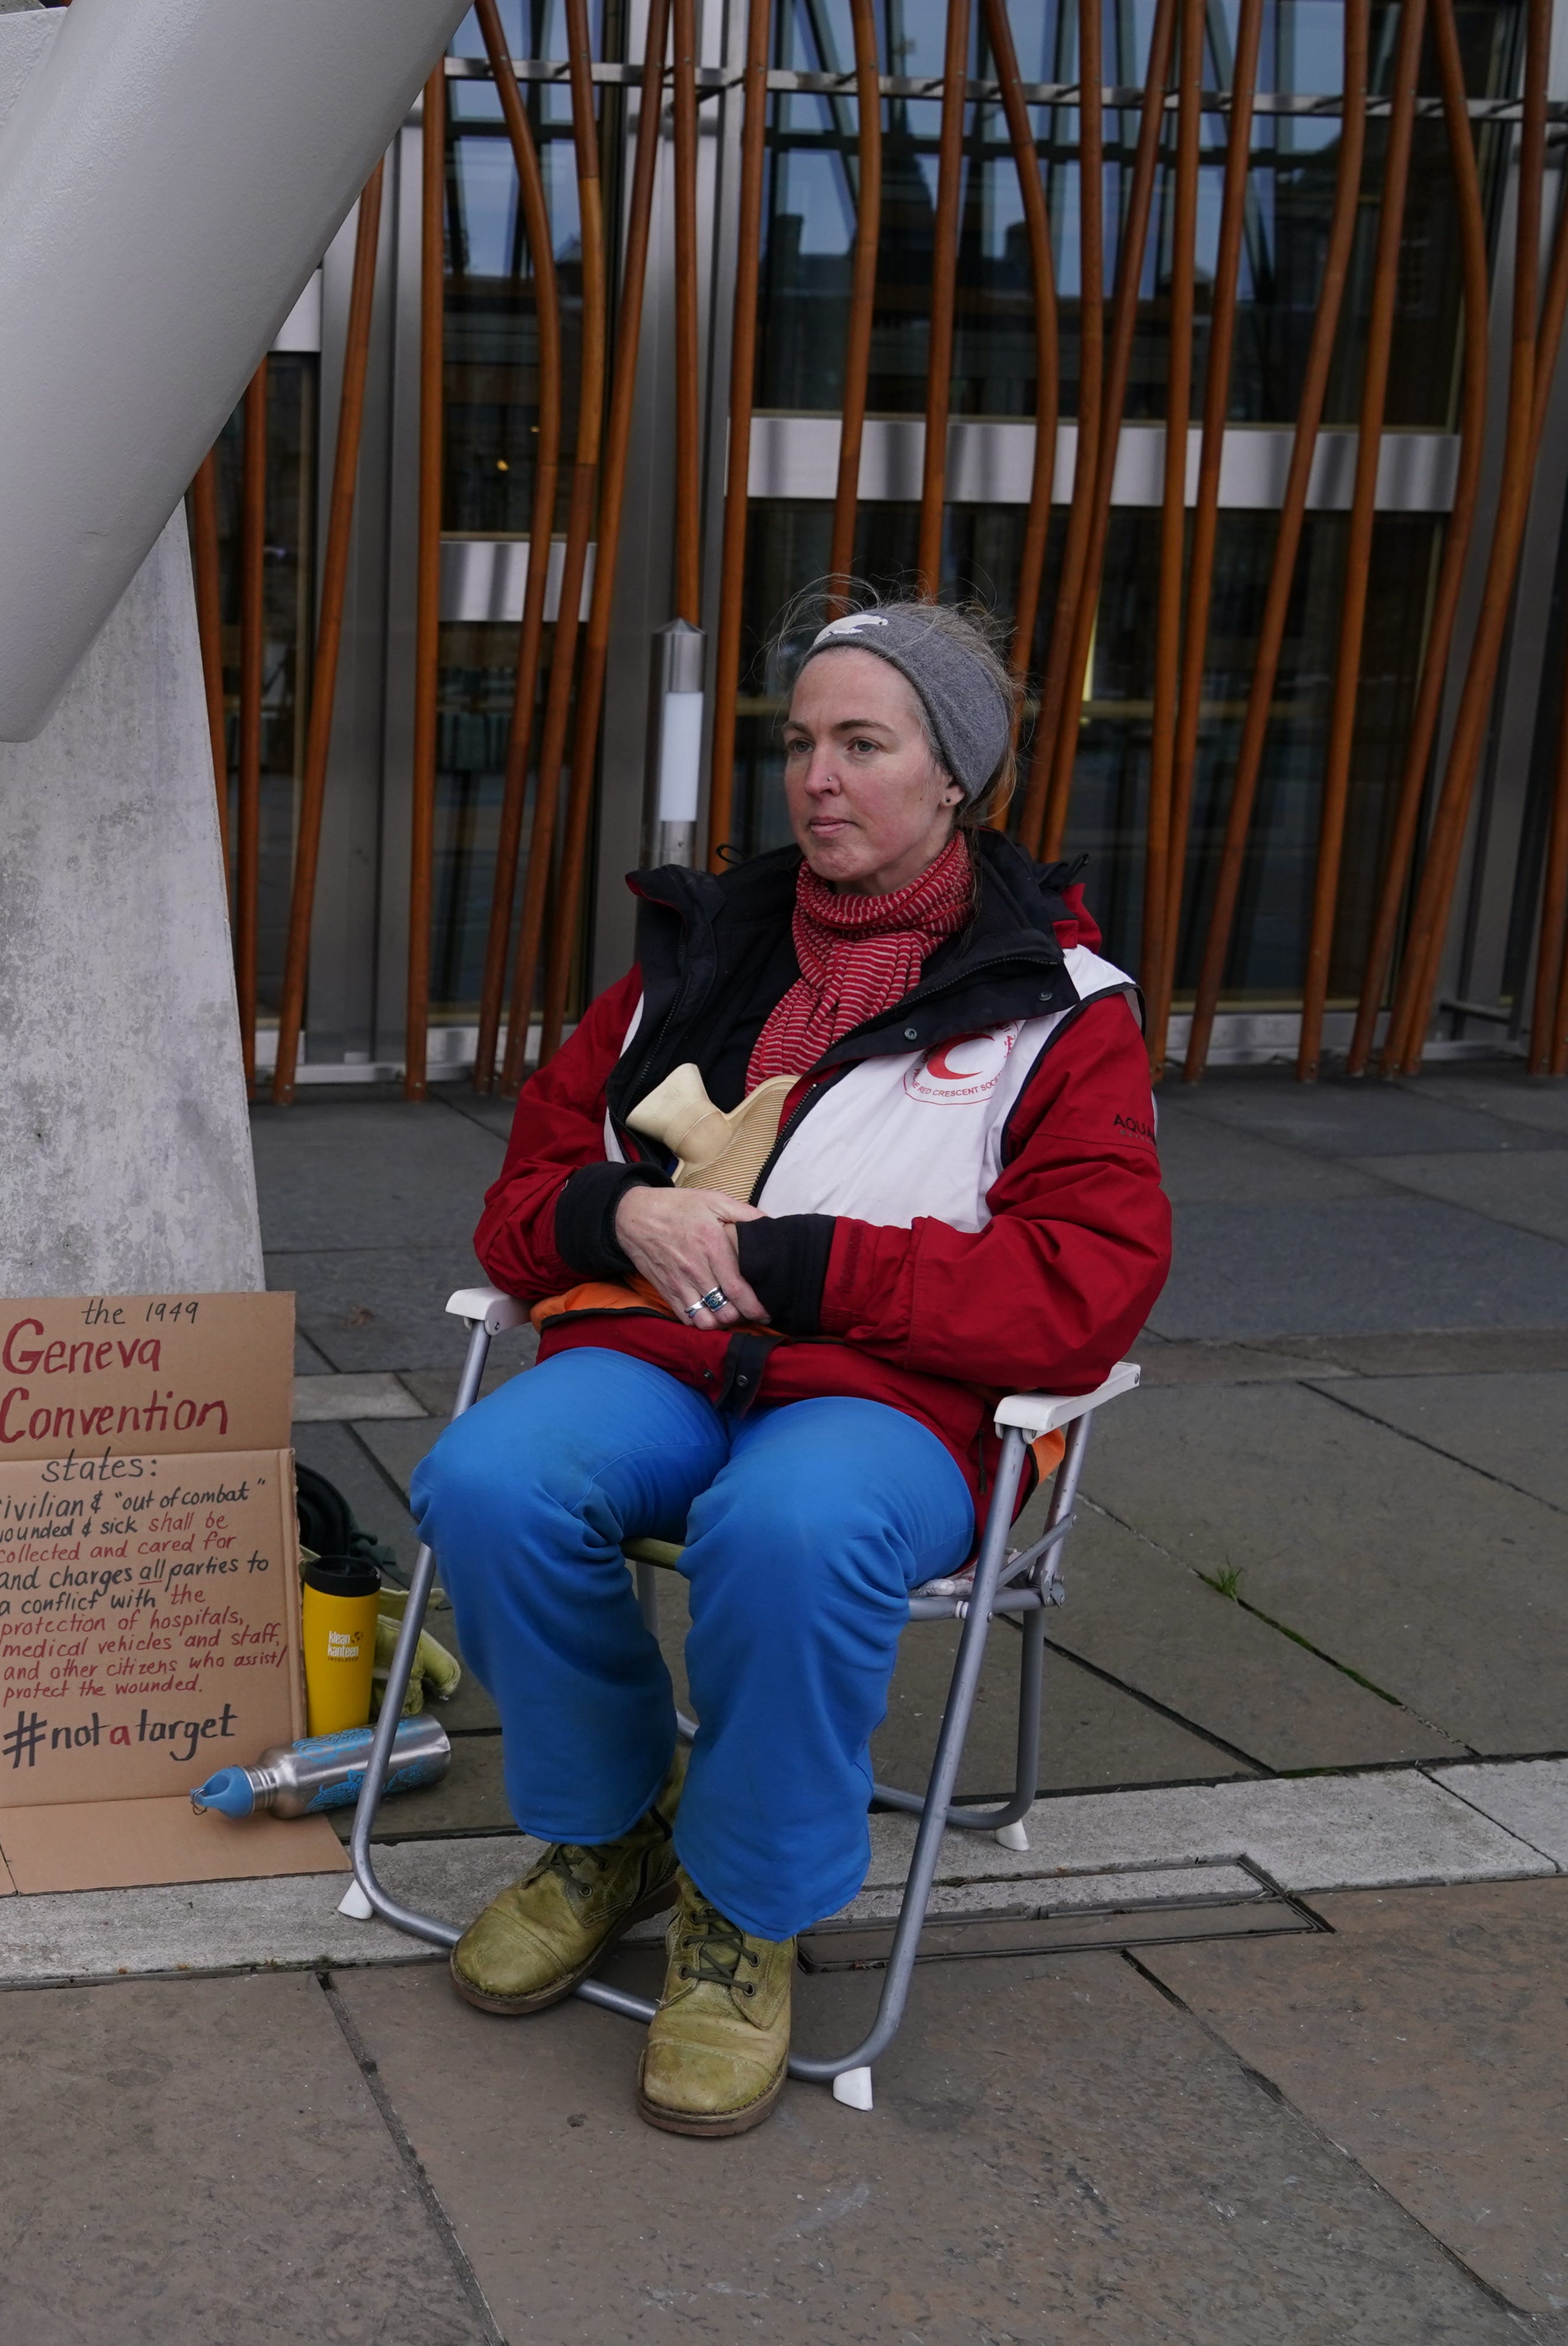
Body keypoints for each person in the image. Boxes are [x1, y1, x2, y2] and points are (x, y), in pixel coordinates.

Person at [408, 593, 1170, 2138]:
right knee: (483, 1476)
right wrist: (620, 1203)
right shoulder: (692, 961)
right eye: (802, 743)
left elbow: (1084, 1289)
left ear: (952, 775)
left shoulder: (1058, 1007)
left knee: (792, 1528)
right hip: (662, 1357)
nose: (820, 778)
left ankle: (744, 1913)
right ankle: (614, 1828)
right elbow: (521, 1200)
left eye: (865, 745)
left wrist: (807, 1264)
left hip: (895, 1398)